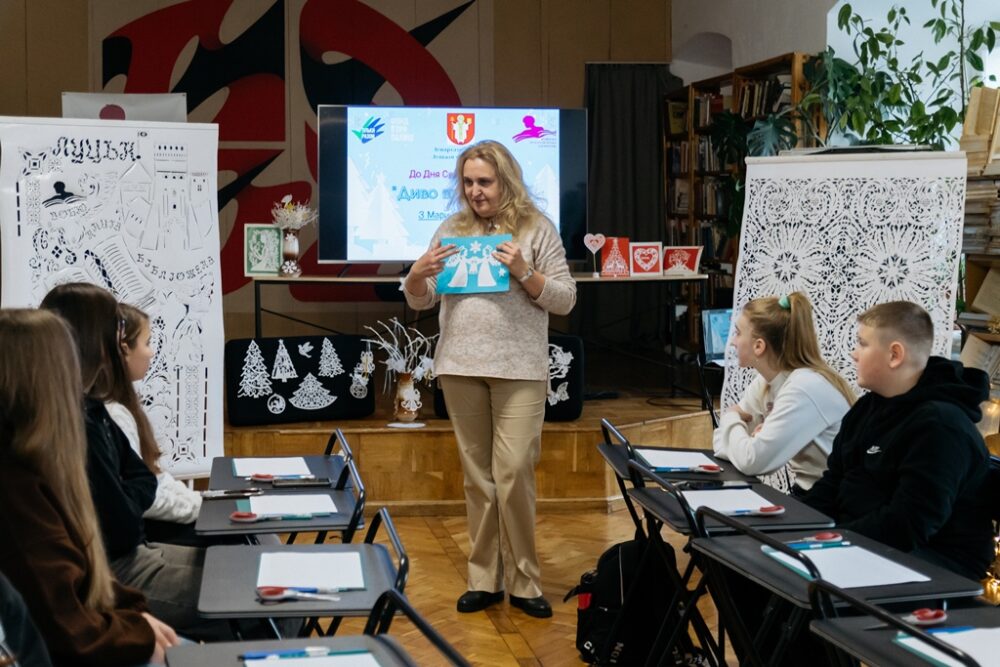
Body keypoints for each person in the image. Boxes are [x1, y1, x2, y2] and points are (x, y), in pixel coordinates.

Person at [403, 140, 576, 618]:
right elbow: (421, 298)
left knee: (514, 470)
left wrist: (525, 272)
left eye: (484, 181)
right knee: (478, 478)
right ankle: (484, 578)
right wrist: (415, 275)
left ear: (506, 180)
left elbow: (565, 299)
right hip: (460, 366)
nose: (475, 191)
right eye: (468, 182)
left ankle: (525, 581)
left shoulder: (537, 228)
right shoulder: (451, 229)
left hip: (520, 369)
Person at [39, 283, 222, 641]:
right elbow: (123, 521)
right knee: (257, 593)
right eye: (117, 329)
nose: (121, 341)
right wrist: (132, 492)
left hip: (130, 556)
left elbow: (142, 478)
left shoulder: (92, 408)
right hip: (116, 569)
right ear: (97, 339)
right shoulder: (76, 422)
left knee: (252, 570)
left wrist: (130, 491)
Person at [0, 309, 178, 666]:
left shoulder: (41, 467)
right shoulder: (16, 489)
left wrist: (134, 616)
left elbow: (85, 577)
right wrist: (137, 629)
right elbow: (68, 629)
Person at [804, 301, 994, 580]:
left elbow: (908, 524)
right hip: (864, 542)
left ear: (894, 355)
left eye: (862, 344)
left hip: (936, 562)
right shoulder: (867, 408)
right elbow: (833, 482)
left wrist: (831, 540)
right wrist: (796, 527)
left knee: (802, 583)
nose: (854, 354)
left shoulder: (941, 426)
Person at [713, 293, 855, 494]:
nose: (733, 342)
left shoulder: (804, 387)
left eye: (737, 333)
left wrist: (730, 417)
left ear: (759, 346)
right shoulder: (765, 383)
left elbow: (751, 461)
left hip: (834, 500)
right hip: (810, 493)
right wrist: (740, 433)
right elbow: (722, 444)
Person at [109, 303, 202, 544]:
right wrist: (200, 509)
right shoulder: (114, 415)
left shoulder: (125, 406)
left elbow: (156, 476)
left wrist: (199, 502)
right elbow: (144, 496)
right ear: (124, 349)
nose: (151, 353)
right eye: (147, 343)